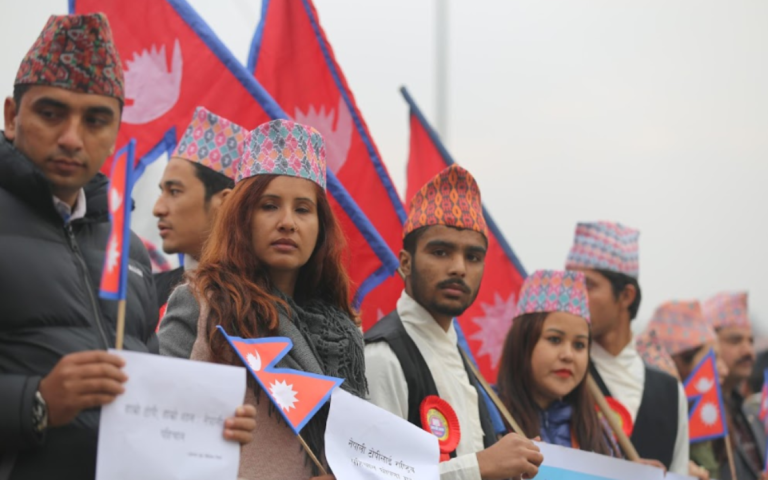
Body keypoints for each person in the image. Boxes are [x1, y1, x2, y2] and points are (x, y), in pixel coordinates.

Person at [0, 14, 253, 479]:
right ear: (13, 116)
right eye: (51, 113)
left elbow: (147, 402)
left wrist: (204, 426)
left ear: (117, 130)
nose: (73, 137)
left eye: (96, 119)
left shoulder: (129, 251)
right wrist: (34, 403)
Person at [158, 119, 366, 480]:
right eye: (269, 206)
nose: (287, 222)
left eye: (303, 209)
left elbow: (364, 446)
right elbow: (159, 423)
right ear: (242, 217)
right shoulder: (200, 302)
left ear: (320, 226)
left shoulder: (344, 329)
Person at [365, 165, 543, 480]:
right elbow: (373, 475)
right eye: (441, 252)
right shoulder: (384, 356)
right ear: (406, 263)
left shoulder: (459, 358)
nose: (459, 268)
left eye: (472, 258)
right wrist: (482, 466)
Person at [564, 221, 689, 474]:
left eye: (588, 285)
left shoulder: (670, 392)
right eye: (569, 284)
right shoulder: (564, 373)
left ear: (626, 296)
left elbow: (679, 471)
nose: (574, 295)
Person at [497, 269, 620, 457]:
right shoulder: (489, 414)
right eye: (555, 339)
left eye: (579, 345)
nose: (568, 355)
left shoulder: (598, 432)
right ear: (522, 343)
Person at [152, 106, 243, 313]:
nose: (158, 209)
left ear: (224, 202)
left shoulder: (262, 298)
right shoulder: (145, 293)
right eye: (161, 192)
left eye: (174, 191)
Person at [642, 300, 728, 480]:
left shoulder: (712, 419)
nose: (723, 369)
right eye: (712, 360)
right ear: (680, 360)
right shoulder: (653, 417)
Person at [704, 292, 766, 480]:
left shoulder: (751, 413)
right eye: (735, 340)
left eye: (751, 341)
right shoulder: (701, 417)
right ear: (710, 345)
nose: (748, 351)